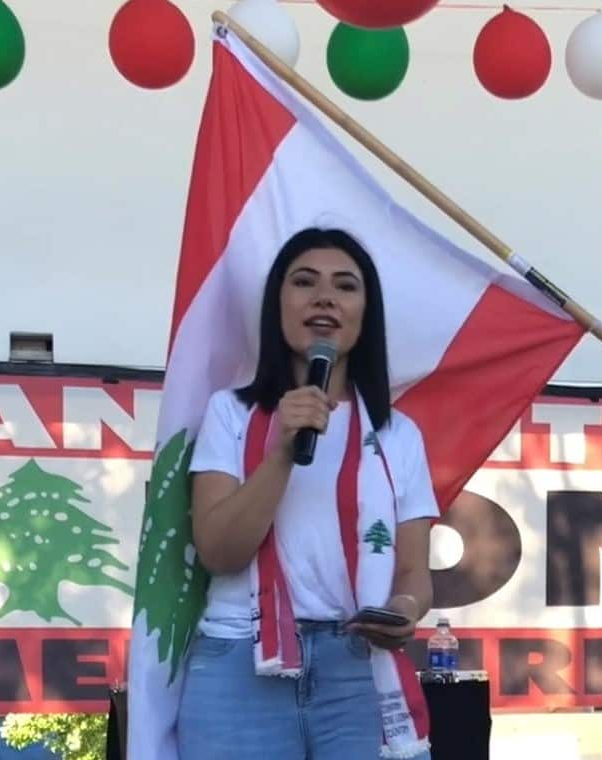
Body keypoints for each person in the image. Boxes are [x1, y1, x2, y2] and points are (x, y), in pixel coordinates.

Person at [176, 227, 437, 759]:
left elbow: (413, 571)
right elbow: (220, 551)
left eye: (345, 286)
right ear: (278, 306)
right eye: (304, 282)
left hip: (356, 668)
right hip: (240, 665)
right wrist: (279, 454)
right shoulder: (231, 415)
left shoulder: (397, 436)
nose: (324, 298)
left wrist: (404, 610)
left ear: (366, 315)